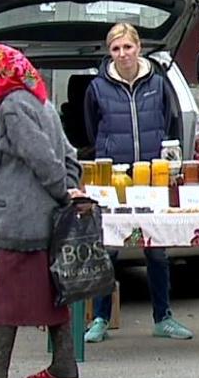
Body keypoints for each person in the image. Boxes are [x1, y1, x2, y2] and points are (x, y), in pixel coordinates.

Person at [0, 44, 84, 378]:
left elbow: (42, 157)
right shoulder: (40, 100)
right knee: (52, 291)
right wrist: (68, 190)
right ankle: (64, 364)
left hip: (22, 219)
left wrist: (62, 192)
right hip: (44, 218)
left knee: (6, 296)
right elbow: (68, 153)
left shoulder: (11, 106)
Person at [83, 23, 193, 343]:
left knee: (156, 249)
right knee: (109, 248)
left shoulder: (158, 83)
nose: (123, 54)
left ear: (138, 48)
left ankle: (163, 318)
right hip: (113, 178)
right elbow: (90, 128)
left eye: (127, 47)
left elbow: (167, 122)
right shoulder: (97, 88)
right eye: (116, 49)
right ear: (109, 52)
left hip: (152, 176)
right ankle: (100, 319)